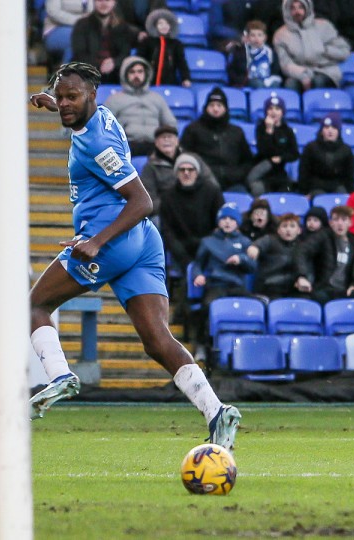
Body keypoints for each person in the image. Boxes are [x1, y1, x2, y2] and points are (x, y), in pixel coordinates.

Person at [28, 62, 241, 448]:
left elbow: (142, 200)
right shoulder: (104, 114)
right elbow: (74, 112)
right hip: (143, 243)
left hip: (111, 239)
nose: (64, 104)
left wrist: (96, 242)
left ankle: (59, 375)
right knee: (157, 340)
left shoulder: (97, 143)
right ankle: (217, 412)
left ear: (92, 95)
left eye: (71, 97)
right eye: (60, 97)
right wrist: (50, 101)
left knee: (36, 306)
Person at [191, 202, 257, 357]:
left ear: (237, 223)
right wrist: (198, 275)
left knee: (257, 306)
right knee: (207, 307)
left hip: (237, 287)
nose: (227, 222)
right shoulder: (208, 242)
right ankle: (202, 346)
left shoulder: (245, 242)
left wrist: (241, 259)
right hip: (216, 285)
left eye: (232, 219)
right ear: (219, 221)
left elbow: (252, 267)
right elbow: (197, 265)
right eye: (224, 218)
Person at [160, 153, 225, 275]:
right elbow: (167, 231)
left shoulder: (212, 191)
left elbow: (221, 222)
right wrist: (182, 256)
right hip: (181, 251)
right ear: (176, 173)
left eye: (191, 169)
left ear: (197, 172)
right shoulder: (168, 197)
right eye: (182, 169)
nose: (186, 173)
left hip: (209, 248)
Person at [180, 86, 255, 192]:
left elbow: (247, 161)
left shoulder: (236, 132)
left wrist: (237, 174)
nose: (215, 109)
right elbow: (185, 158)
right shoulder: (193, 129)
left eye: (219, 105)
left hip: (233, 183)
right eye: (212, 105)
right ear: (206, 108)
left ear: (225, 108)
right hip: (203, 183)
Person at [139, 126, 217, 223]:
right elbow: (150, 201)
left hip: (197, 206)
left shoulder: (194, 159)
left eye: (170, 137)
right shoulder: (150, 168)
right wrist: (175, 204)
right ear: (156, 143)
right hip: (168, 211)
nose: (166, 140)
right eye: (162, 137)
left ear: (177, 141)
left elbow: (212, 185)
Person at [272, 0, 351, 93]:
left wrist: (324, 50)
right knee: (290, 84)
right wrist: (303, 74)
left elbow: (344, 52)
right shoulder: (280, 35)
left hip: (326, 71)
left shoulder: (324, 26)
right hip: (299, 73)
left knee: (318, 81)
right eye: (293, 8)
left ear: (307, 8)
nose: (297, 11)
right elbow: (286, 64)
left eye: (300, 7)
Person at [104, 56, 177, 157]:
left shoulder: (157, 98)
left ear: (146, 74)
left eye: (140, 72)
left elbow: (171, 124)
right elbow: (103, 128)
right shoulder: (114, 100)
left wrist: (164, 139)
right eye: (132, 72)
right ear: (125, 74)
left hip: (155, 145)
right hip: (127, 146)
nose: (136, 75)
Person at [295, 205, 354, 303]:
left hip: (345, 289)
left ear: (350, 223)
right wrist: (301, 276)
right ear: (331, 223)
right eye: (336, 220)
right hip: (324, 288)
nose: (340, 224)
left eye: (344, 220)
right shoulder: (323, 236)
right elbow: (302, 251)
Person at [70, 0, 136, 85]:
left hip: (115, 73)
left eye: (108, 0)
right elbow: (79, 53)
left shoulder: (122, 27)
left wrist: (114, 62)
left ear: (114, 3)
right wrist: (100, 65)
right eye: (100, 0)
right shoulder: (82, 25)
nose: (104, 3)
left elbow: (125, 52)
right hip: (87, 74)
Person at [248, 95, 299, 195]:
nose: (273, 112)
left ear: (282, 112)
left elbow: (294, 154)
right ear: (266, 111)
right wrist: (269, 130)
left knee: (288, 189)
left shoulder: (287, 131)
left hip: (280, 172)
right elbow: (264, 151)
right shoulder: (261, 128)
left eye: (277, 108)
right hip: (264, 172)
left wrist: (281, 158)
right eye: (270, 108)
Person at [247, 212, 305, 300]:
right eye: (284, 226)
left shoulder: (303, 246)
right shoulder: (270, 240)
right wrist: (254, 248)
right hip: (269, 287)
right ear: (278, 230)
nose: (288, 230)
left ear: (299, 230)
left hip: (292, 288)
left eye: (292, 226)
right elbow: (257, 245)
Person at [297, 113, 354, 196]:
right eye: (327, 127)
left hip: (338, 186)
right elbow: (304, 172)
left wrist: (350, 192)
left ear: (339, 131)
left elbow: (350, 175)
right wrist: (305, 192)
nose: (330, 131)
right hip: (316, 187)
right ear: (321, 131)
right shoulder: (310, 148)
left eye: (334, 128)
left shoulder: (346, 150)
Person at [137, 8, 191, 88]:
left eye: (166, 24)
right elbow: (140, 60)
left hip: (169, 83)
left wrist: (186, 78)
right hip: (149, 83)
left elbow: (182, 63)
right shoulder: (147, 42)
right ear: (155, 26)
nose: (164, 26)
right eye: (160, 24)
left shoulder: (176, 44)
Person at [227, 19, 283, 89]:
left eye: (260, 35)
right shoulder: (240, 51)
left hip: (267, 79)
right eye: (253, 35)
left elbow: (275, 70)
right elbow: (234, 70)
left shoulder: (270, 52)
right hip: (249, 80)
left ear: (265, 37)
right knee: (258, 84)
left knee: (275, 85)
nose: (256, 39)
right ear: (247, 37)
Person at [42, 0, 93, 69]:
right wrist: (79, 20)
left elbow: (93, 10)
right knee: (77, 37)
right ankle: (67, 74)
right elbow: (53, 12)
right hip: (55, 29)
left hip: (84, 29)